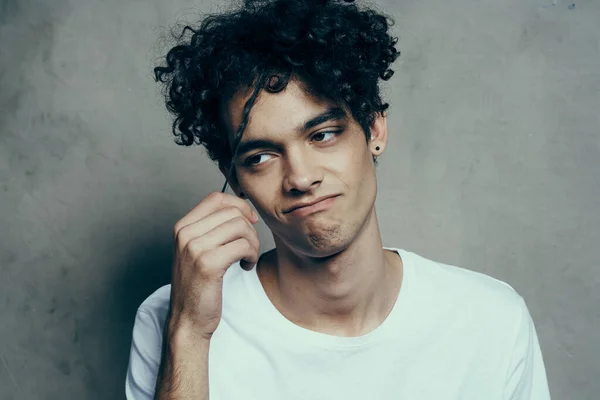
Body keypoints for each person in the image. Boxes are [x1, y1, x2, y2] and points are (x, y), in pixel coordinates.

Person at [125, 0, 551, 399]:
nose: (302, 178)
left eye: (323, 135)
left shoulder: (491, 319)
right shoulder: (173, 317)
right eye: (261, 156)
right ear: (234, 177)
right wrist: (189, 332)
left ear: (374, 131)